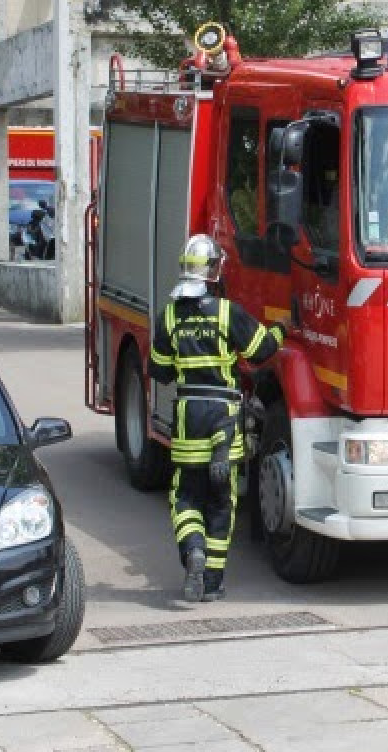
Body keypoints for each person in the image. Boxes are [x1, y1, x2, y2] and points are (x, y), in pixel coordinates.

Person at [149, 235, 287, 602]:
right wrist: (283, 327)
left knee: (185, 496)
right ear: (212, 272)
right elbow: (262, 350)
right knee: (221, 502)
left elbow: (159, 371)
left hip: (189, 418)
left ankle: (193, 548)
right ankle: (211, 583)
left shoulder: (169, 317)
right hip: (224, 420)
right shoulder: (228, 313)